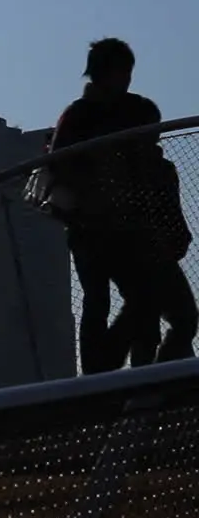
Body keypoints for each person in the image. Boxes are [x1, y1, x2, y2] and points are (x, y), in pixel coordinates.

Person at [46, 38, 196, 373]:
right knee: (114, 301)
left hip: (124, 230)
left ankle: (128, 377)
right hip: (97, 229)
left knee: (136, 303)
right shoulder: (88, 117)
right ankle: (116, 375)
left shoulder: (120, 115)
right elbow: (62, 167)